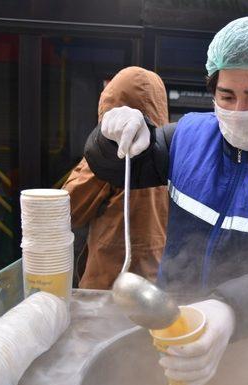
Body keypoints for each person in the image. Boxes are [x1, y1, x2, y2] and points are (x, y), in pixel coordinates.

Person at [84, 16, 248, 385]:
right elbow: (113, 165)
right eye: (226, 96)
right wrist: (112, 135)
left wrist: (229, 310)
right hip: (173, 331)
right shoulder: (188, 137)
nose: (238, 110)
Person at [63, 67, 169, 287]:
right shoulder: (172, 152)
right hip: (156, 281)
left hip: (109, 283)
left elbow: (68, 211)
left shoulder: (109, 157)